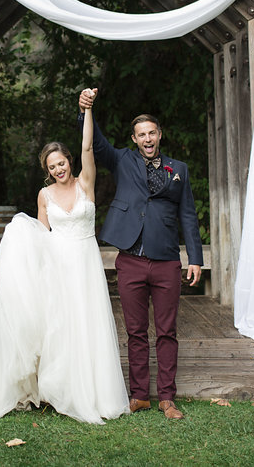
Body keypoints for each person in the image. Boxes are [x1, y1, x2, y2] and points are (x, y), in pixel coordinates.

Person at [0, 98, 129, 424]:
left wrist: (88, 111)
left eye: (61, 163)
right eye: (51, 167)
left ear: (69, 161)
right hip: (58, 267)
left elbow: (88, 147)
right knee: (58, 328)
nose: (58, 169)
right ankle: (55, 390)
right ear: (47, 171)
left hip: (85, 263)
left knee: (87, 325)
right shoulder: (45, 195)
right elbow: (40, 233)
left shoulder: (86, 183)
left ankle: (91, 393)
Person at [78, 88, 203, 420]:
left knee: (166, 331)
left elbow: (188, 215)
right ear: (134, 139)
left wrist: (195, 258)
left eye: (152, 133)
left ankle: (167, 398)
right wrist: (85, 110)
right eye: (141, 134)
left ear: (159, 135)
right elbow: (95, 144)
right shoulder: (122, 160)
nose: (147, 139)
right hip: (130, 259)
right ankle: (139, 396)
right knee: (135, 331)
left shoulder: (179, 169)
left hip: (166, 261)